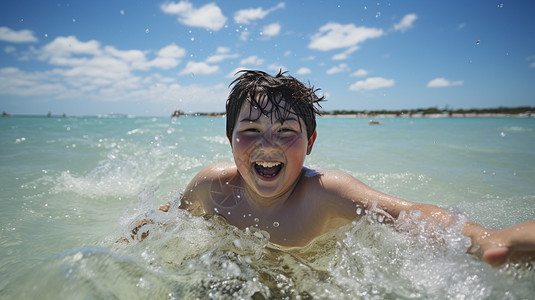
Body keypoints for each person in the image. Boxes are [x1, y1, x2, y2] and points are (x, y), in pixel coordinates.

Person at [132, 70, 535, 266]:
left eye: (286, 131)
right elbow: (170, 216)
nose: (267, 144)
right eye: (251, 130)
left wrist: (484, 237)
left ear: (310, 142)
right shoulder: (211, 186)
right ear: (230, 138)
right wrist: (129, 240)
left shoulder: (325, 193)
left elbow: (409, 215)